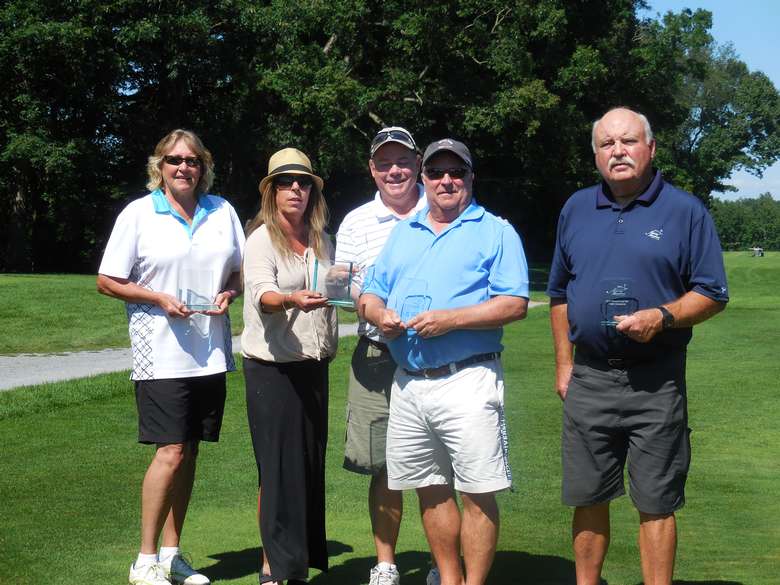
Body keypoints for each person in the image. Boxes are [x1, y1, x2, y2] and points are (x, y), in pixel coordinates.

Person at [546, 107, 729, 585]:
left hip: (656, 380)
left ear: (650, 148)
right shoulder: (577, 208)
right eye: (607, 144)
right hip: (589, 378)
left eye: (628, 141)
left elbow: (711, 293)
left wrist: (663, 316)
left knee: (656, 501)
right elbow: (560, 294)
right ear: (595, 155)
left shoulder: (685, 211)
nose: (618, 152)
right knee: (587, 496)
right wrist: (564, 364)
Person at [360, 139, 529, 585]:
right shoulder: (405, 232)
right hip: (410, 381)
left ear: (471, 178)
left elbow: (514, 304)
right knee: (429, 488)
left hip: (468, 377)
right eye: (436, 173)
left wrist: (452, 320)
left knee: (476, 491)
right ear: (424, 179)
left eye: (457, 172)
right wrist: (380, 315)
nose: (446, 181)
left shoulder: (495, 231)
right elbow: (370, 293)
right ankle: (449, 579)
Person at [97, 129, 245, 585]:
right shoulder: (139, 214)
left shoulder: (222, 211)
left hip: (210, 353)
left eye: (193, 161)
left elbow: (239, 270)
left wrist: (229, 294)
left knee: (191, 451)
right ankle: (143, 561)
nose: (184, 168)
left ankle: (171, 554)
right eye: (174, 160)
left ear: (204, 167)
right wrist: (157, 298)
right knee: (171, 451)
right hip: (159, 353)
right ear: (158, 166)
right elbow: (107, 279)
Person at [335, 126, 430, 585]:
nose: (395, 170)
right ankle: (386, 564)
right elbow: (348, 286)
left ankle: (441, 561)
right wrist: (374, 307)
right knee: (383, 464)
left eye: (403, 161)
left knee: (437, 461)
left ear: (418, 164)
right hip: (375, 352)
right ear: (372, 170)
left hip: (434, 352)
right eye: (384, 163)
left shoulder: (443, 209)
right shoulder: (355, 222)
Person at [241, 148, 338, 585]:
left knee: (306, 466)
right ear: (272, 192)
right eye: (286, 182)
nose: (296, 188)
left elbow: (337, 288)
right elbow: (262, 293)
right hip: (272, 370)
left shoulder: (321, 238)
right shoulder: (262, 238)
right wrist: (289, 299)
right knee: (278, 469)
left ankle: (293, 563)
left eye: (303, 182)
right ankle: (273, 569)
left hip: (313, 366)